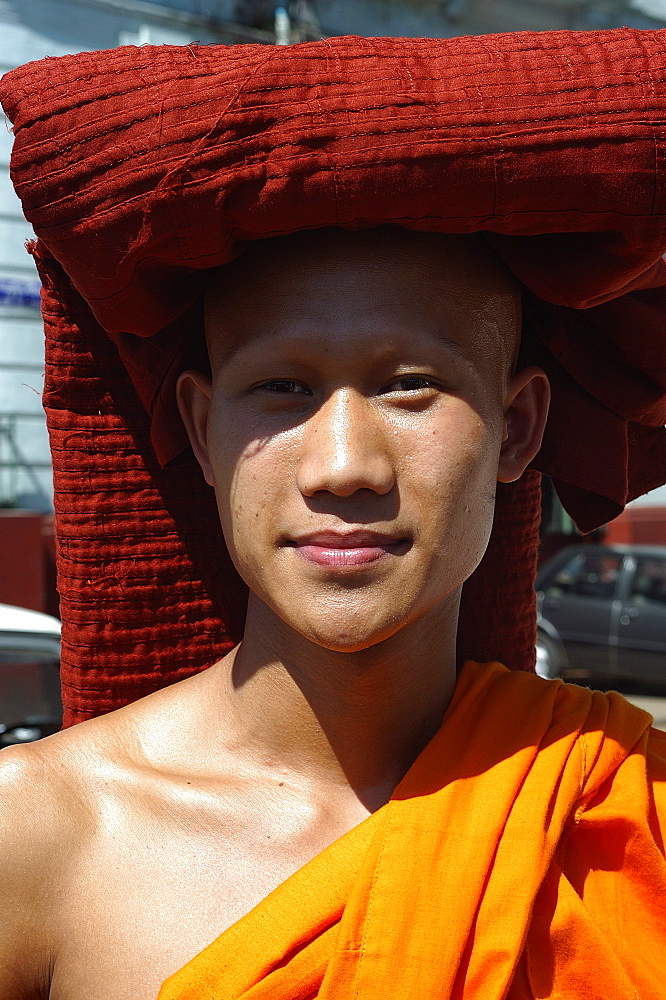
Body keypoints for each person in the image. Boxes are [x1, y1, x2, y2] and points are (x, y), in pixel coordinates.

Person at [0, 28, 665, 1000]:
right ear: (202, 425)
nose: (345, 466)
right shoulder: (41, 835)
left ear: (518, 427)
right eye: (280, 387)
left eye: (410, 386)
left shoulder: (626, 813)